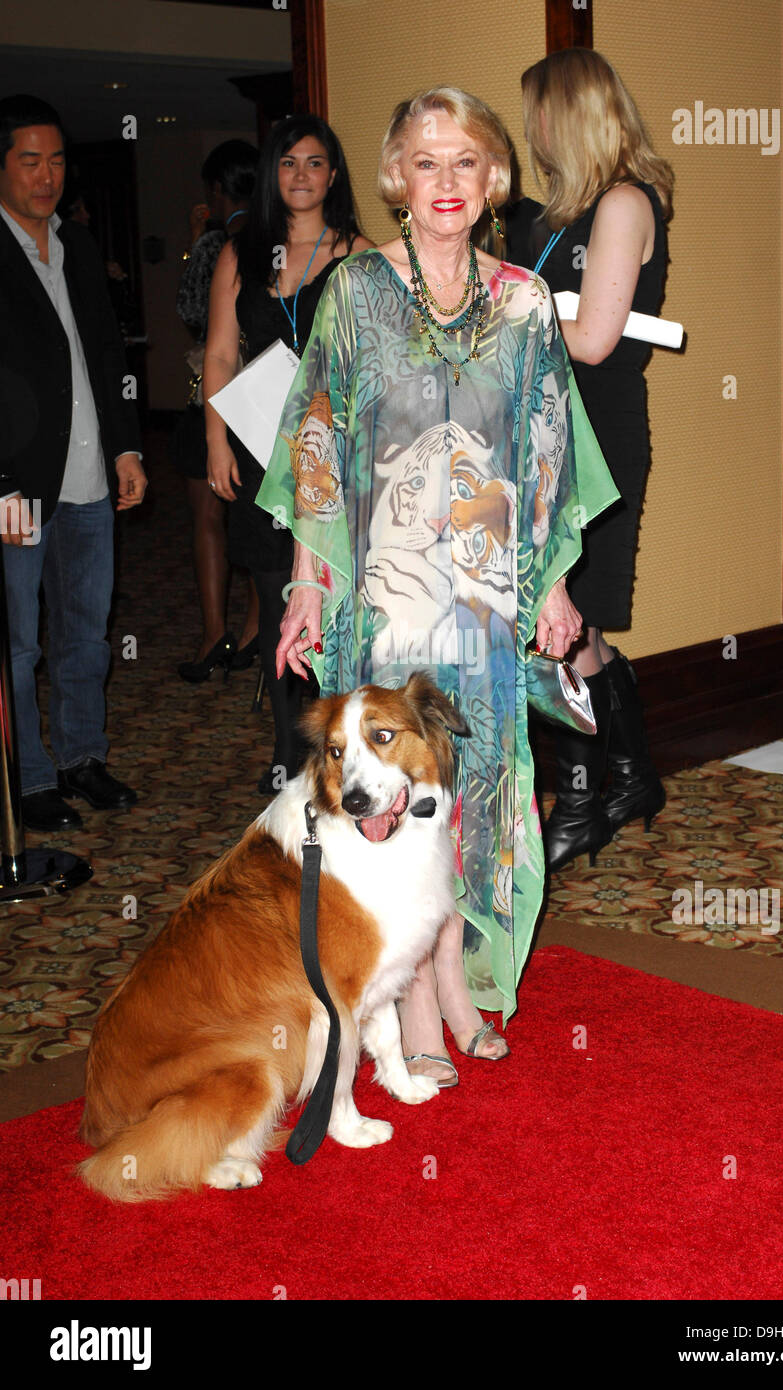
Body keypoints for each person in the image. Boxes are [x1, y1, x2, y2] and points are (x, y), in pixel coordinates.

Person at [255, 88, 617, 1082]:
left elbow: (546, 460)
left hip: (485, 602)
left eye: (466, 162)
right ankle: (417, 1000)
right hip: (385, 599)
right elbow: (318, 451)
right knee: (403, 799)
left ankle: (458, 974)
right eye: (425, 162)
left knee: (481, 793)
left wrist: (550, 585)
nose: (446, 182)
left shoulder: (524, 304)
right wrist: (304, 586)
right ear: (395, 179)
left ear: (491, 177)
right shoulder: (357, 293)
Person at [518, 47, 674, 871]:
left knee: (566, 620)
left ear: (564, 114)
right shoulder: (555, 212)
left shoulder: (621, 203)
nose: (528, 128)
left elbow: (592, 338)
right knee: (569, 624)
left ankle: (582, 799)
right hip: (548, 432)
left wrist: (505, 312)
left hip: (596, 435)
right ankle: (626, 777)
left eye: (535, 111)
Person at [204, 116, 371, 794]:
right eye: (288, 163)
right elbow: (219, 352)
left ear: (333, 174)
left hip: (341, 463)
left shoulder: (360, 254)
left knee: (341, 613)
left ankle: (352, 766)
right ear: (272, 174)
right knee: (279, 615)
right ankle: (290, 770)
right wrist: (215, 441)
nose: (301, 175)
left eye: (315, 163)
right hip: (262, 454)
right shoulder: (240, 254)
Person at [0, 94, 147, 834]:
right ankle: (27, 779)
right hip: (14, 490)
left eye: (56, 159)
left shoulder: (78, 245)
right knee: (20, 642)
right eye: (29, 160)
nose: (46, 175)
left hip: (90, 473)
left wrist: (126, 446)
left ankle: (81, 757)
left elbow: (106, 353)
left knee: (86, 630)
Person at [175, 139, 260, 682]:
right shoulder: (279, 239)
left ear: (217, 188)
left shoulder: (215, 245)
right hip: (266, 397)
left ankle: (215, 634)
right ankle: (255, 629)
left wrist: (194, 239)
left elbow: (190, 312)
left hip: (216, 390)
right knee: (260, 514)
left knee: (209, 519)